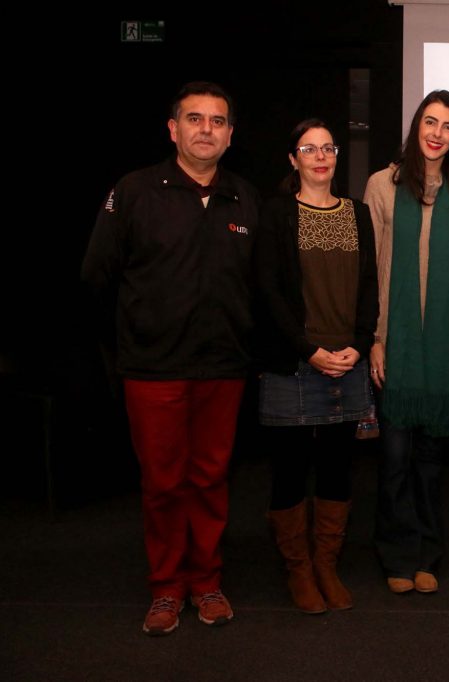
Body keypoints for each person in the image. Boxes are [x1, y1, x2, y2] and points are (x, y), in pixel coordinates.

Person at [81, 82, 259, 635]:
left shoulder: (244, 199)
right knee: (162, 483)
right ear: (173, 128)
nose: (206, 128)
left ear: (231, 135)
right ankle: (165, 589)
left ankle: (205, 582)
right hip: (153, 369)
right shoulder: (134, 191)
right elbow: (95, 276)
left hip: (223, 368)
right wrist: (136, 334)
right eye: (195, 118)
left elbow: (260, 285)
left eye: (217, 120)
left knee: (209, 479)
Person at [254, 119, 378, 614]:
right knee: (288, 471)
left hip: (346, 360)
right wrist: (307, 349)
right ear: (293, 159)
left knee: (336, 469)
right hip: (294, 361)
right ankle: (299, 570)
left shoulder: (358, 213)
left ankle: (326, 564)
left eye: (329, 148)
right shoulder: (276, 213)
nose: (321, 156)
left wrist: (361, 343)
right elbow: (267, 290)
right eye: (310, 148)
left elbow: (370, 284)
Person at [363, 90, 449, 594]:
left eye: (447, 126)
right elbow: (371, 271)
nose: (436, 133)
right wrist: (376, 339)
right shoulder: (382, 185)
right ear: (415, 127)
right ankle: (396, 553)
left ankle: (428, 552)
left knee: (431, 464)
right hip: (396, 344)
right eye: (429, 122)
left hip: (443, 350)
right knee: (393, 460)